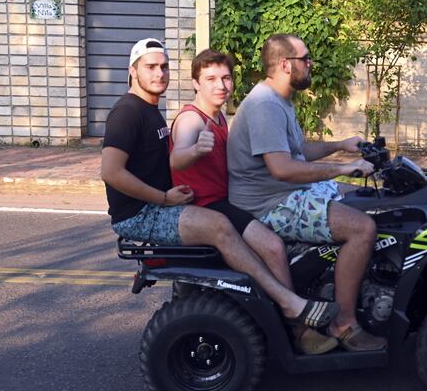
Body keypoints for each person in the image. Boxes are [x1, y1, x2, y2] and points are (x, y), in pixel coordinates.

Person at [100, 38, 338, 335]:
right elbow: (113, 171)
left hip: (180, 201)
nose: (159, 73)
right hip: (142, 213)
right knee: (225, 229)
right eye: (150, 67)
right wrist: (164, 195)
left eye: (163, 66)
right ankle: (292, 314)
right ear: (133, 71)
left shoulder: (162, 110)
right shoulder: (130, 112)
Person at [168, 48, 337, 355]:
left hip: (228, 199)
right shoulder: (192, 120)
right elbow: (178, 157)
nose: (221, 85)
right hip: (210, 207)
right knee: (271, 247)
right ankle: (297, 327)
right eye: (211, 79)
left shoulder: (218, 115)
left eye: (226, 77)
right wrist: (195, 150)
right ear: (196, 83)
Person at [227, 34, 387, 351]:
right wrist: (343, 168)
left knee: (372, 201)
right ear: (286, 64)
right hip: (270, 203)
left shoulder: (279, 100)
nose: (311, 64)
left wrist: (340, 146)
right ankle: (344, 323)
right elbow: (283, 169)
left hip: (287, 191)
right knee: (362, 229)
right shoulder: (264, 105)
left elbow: (298, 151)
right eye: (306, 58)